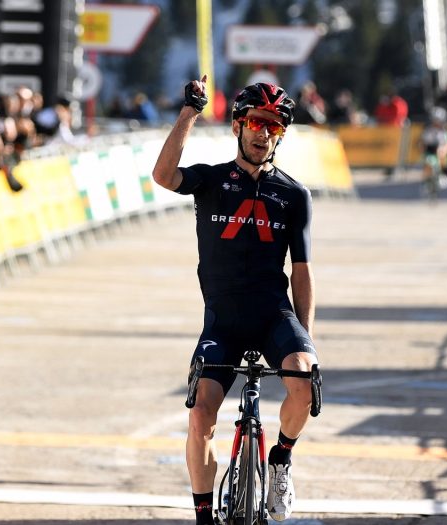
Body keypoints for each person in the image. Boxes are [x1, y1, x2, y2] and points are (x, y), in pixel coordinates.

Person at [152, 76, 319, 525]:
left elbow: (301, 273)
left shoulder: (293, 195)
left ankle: (280, 459)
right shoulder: (210, 181)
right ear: (238, 127)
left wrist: (304, 338)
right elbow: (164, 176)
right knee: (200, 414)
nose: (264, 133)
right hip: (223, 321)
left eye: (274, 127)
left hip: (273, 315)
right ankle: (205, 516)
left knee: (305, 381)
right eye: (257, 123)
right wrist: (189, 111)